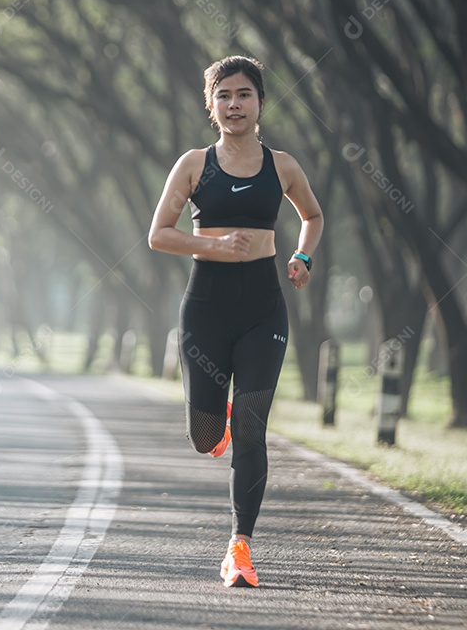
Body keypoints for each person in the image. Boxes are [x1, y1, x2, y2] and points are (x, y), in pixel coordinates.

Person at [148, 55, 324, 588]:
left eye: (244, 94)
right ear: (211, 105)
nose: (234, 105)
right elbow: (159, 233)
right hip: (206, 308)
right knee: (207, 437)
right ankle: (214, 414)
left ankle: (239, 547)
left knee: (251, 428)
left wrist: (303, 257)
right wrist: (213, 245)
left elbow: (312, 217)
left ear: (261, 102)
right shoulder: (195, 165)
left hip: (262, 309)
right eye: (223, 96)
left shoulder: (283, 165)